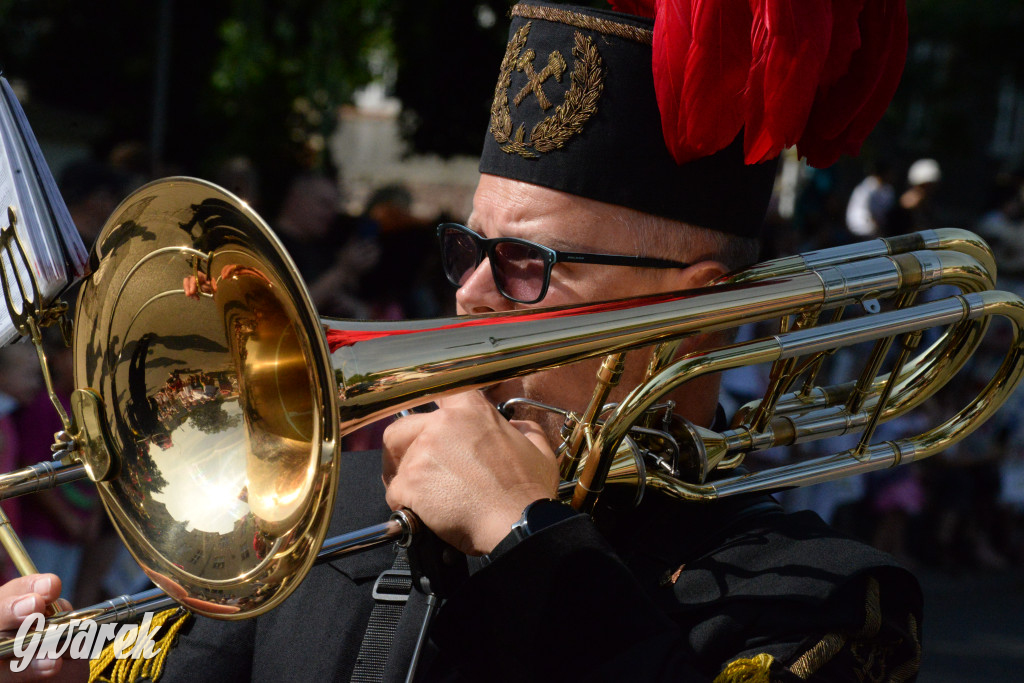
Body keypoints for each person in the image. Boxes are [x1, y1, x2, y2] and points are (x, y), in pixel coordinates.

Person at [0, 2, 919, 681]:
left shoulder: (822, 597)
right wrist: (57, 660)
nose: (471, 290)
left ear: (694, 315)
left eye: (526, 261)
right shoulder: (339, 510)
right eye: (467, 247)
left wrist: (527, 537)